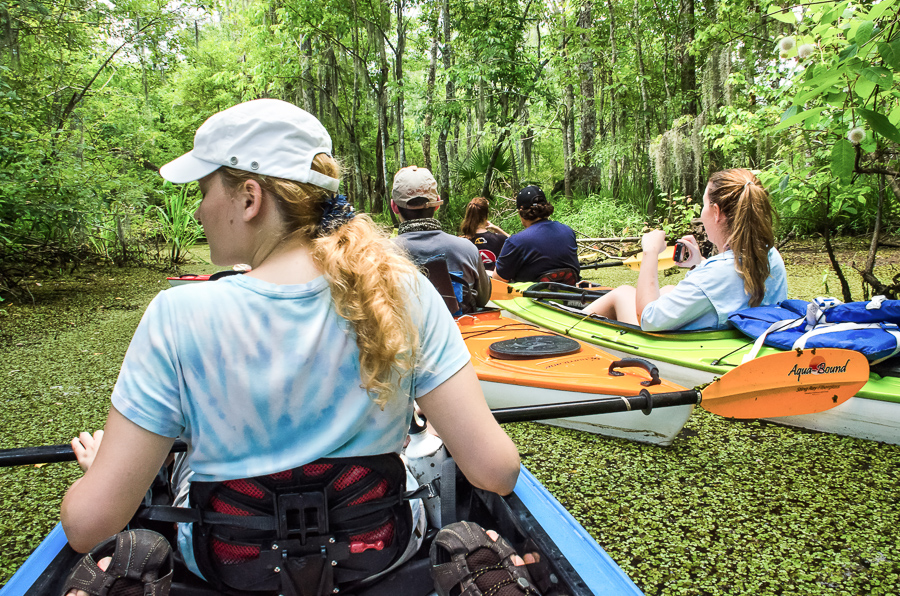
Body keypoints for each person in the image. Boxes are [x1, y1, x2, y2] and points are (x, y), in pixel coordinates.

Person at [59, 99, 520, 595]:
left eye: (203, 190)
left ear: (249, 198)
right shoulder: (402, 292)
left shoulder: (175, 317)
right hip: (381, 555)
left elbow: (89, 527)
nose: (197, 209)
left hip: (226, 568)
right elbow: (495, 472)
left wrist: (99, 471)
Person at [582, 168, 788, 331]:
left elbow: (648, 318)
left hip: (685, 349)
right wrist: (701, 264)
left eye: (704, 204)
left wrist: (650, 253)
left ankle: (569, 328)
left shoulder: (714, 276)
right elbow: (731, 283)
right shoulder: (770, 255)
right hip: (737, 339)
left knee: (623, 293)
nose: (702, 211)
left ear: (716, 212)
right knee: (669, 289)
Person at [391, 166, 491, 312]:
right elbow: (483, 298)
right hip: (459, 332)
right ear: (437, 203)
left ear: (394, 206)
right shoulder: (467, 249)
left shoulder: (377, 254)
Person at [492, 185, 580, 284]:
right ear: (546, 207)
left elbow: (498, 280)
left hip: (532, 298)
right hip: (571, 294)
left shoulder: (516, 241)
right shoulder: (568, 231)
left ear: (521, 211)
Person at [458, 196, 509, 271]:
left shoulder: (460, 242)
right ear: (486, 216)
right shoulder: (500, 239)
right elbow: (517, 244)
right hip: (494, 282)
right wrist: (497, 229)